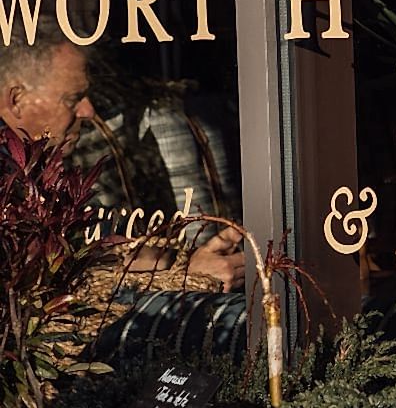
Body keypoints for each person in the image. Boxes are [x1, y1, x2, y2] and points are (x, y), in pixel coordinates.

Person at [0, 20, 244, 293]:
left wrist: (185, 265)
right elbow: (49, 289)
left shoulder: (45, 171)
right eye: (73, 98)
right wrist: (183, 276)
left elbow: (105, 256)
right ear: (17, 100)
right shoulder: (9, 186)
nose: (88, 111)